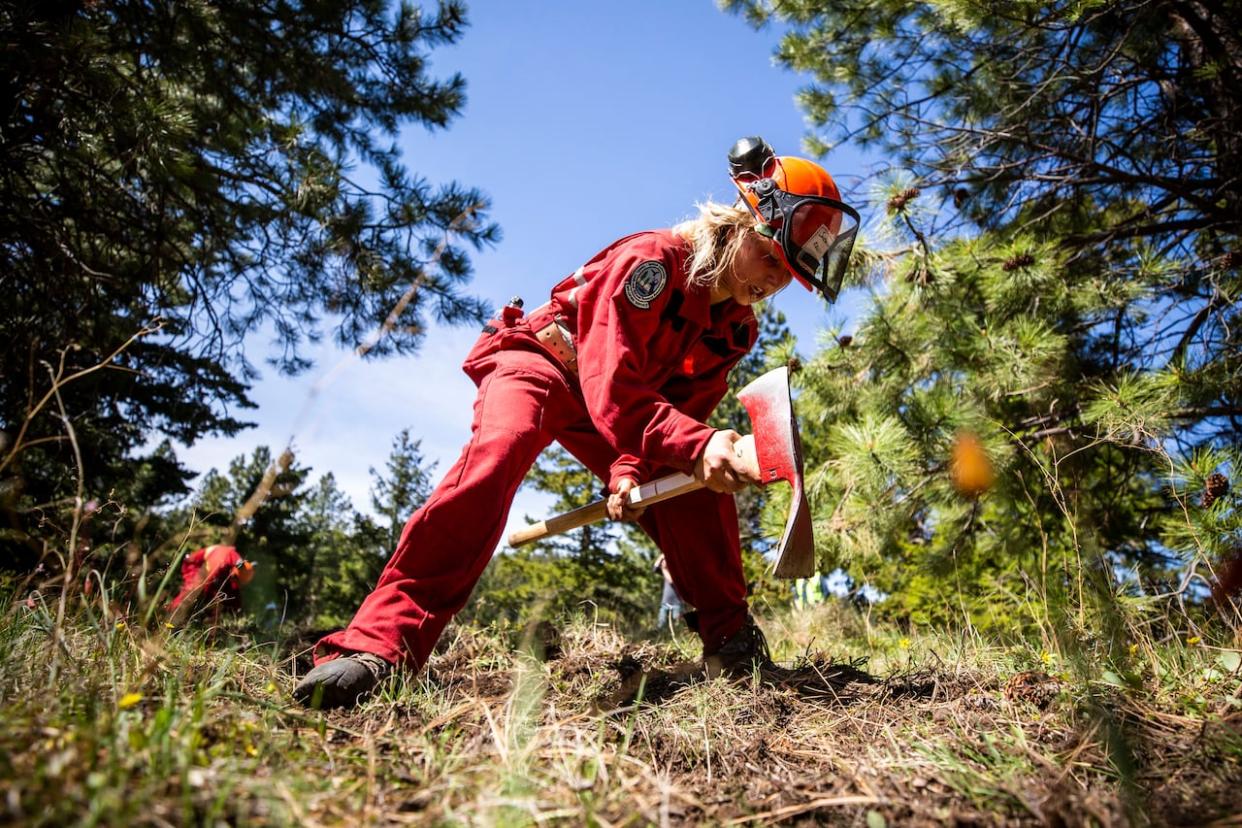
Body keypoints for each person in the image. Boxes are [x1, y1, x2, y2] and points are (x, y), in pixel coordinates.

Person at [294, 137, 859, 709]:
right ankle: (380, 647)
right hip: (545, 362)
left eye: (789, 276)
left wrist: (630, 471)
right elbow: (614, 389)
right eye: (769, 258)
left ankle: (731, 648)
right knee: (500, 452)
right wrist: (699, 443)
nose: (772, 282)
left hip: (612, 400)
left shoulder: (735, 329)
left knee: (698, 493)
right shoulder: (653, 264)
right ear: (741, 221)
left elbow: (676, 412)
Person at [168, 544, 255, 625]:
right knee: (191, 592)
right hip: (195, 565)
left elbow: (233, 586)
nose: (238, 585)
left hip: (217, 573)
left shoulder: (238, 562)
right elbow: (209, 586)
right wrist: (212, 605)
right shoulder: (219, 565)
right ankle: (171, 614)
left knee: (231, 595)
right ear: (234, 574)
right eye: (237, 581)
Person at [653, 554, 683, 629]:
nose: (663, 562)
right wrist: (662, 556)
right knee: (661, 624)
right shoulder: (666, 571)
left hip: (677, 604)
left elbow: (671, 581)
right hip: (665, 603)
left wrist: (664, 569)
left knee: (677, 626)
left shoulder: (677, 572)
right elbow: (655, 568)